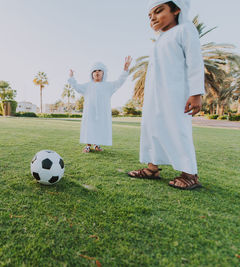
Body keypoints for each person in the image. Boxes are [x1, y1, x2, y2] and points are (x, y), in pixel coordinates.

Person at [127, 0, 204, 190]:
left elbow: (195, 62)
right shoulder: (161, 38)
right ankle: (152, 169)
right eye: (149, 15)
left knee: (178, 128)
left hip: (176, 94)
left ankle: (190, 174)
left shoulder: (185, 29)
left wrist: (196, 93)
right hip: (155, 95)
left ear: (177, 9)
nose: (152, 17)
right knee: (152, 128)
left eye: (158, 11)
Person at [68, 57, 132, 153]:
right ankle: (88, 146)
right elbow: (76, 87)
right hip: (90, 111)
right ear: (92, 74)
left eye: (99, 70)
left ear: (103, 73)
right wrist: (72, 77)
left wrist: (125, 70)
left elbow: (119, 82)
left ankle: (97, 145)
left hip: (102, 112)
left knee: (99, 127)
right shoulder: (87, 86)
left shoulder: (108, 86)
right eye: (94, 71)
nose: (97, 73)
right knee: (89, 127)